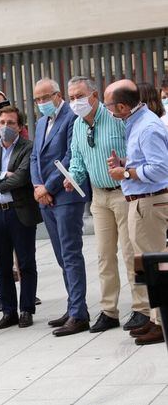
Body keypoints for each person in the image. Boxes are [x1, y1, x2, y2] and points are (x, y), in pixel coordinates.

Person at [63, 76, 150, 334]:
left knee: (129, 253)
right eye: (71, 98)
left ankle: (141, 308)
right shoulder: (78, 125)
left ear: (95, 95)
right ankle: (109, 310)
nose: (75, 102)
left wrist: (125, 170)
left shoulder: (115, 118)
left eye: (79, 96)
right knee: (103, 255)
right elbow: (78, 158)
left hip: (124, 192)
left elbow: (134, 152)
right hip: (99, 196)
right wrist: (73, 177)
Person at [105, 79, 168, 346]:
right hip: (140, 201)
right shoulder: (136, 122)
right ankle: (155, 319)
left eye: (109, 106)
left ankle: (161, 322)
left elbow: (161, 169)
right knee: (148, 265)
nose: (107, 110)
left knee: (156, 266)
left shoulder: (147, 127)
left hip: (150, 202)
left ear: (121, 106)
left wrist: (127, 172)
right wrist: (125, 164)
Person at [30, 78, 91, 337]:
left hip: (65, 196)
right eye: (37, 99)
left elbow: (69, 155)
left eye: (45, 98)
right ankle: (73, 306)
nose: (41, 103)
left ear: (57, 95)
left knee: (71, 255)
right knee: (60, 256)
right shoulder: (42, 122)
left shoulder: (71, 118)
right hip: (45, 198)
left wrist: (49, 187)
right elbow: (35, 156)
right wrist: (36, 186)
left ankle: (79, 314)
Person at [0, 106, 41, 329]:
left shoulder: (27, 147)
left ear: (20, 126)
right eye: (2, 122)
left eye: (11, 123)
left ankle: (26, 309)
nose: (5, 127)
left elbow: (22, 178)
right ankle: (8, 310)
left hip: (19, 212)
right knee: (2, 267)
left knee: (25, 263)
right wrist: (2, 175)